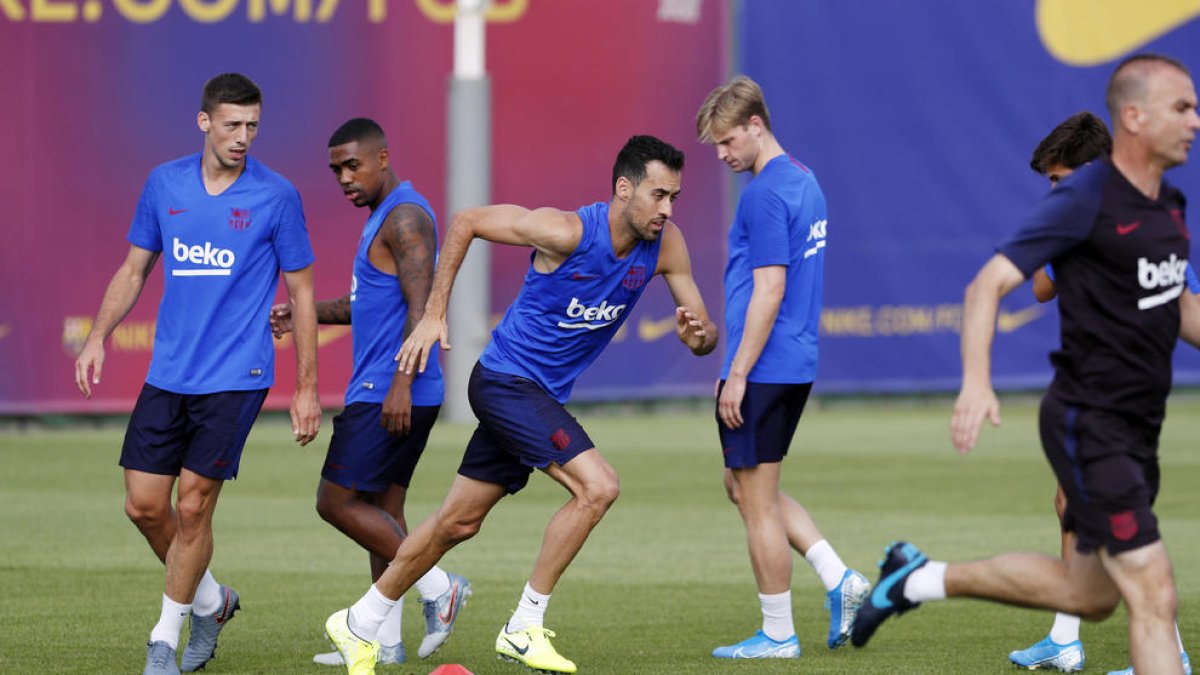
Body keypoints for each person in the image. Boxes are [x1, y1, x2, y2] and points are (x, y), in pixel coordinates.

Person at [851, 54, 1200, 675]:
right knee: (1154, 592)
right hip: (1092, 422)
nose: (1194, 121)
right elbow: (987, 286)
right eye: (1182, 107)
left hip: (1136, 426)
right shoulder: (1084, 198)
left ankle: (917, 580)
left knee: (1089, 595)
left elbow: (1186, 313)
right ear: (1134, 116)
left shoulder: (1166, 205)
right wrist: (977, 382)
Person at [321, 134, 719, 675]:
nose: (667, 209)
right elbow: (466, 221)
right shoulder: (566, 231)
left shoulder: (666, 245)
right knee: (598, 487)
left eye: (674, 196)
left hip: (537, 396)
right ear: (623, 189)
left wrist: (698, 334)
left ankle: (359, 622)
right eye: (657, 195)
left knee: (456, 523)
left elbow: (703, 336)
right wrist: (435, 312)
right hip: (506, 382)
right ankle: (524, 626)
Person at [73, 73, 322, 675]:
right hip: (170, 372)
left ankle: (165, 642)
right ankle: (211, 601)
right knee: (143, 506)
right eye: (233, 124)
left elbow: (304, 293)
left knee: (193, 506)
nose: (244, 137)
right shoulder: (164, 184)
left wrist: (307, 385)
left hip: (238, 374)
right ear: (204, 121)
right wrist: (97, 336)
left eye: (253, 126)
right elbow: (134, 269)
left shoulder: (277, 195)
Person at [269, 118, 470, 667]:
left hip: (391, 386)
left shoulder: (406, 217)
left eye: (352, 165)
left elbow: (422, 304)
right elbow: (369, 304)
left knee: (335, 502)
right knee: (383, 513)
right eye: (336, 169)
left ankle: (438, 588)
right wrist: (305, 313)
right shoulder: (384, 216)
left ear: (383, 158)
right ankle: (382, 641)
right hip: (393, 384)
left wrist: (401, 383)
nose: (343, 178)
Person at [1010, 111, 1196, 675]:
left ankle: (1172, 653)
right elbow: (1044, 288)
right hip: (1092, 391)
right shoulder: (1085, 222)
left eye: (1058, 180)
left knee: (1125, 525)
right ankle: (1066, 639)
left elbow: (1183, 299)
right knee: (1069, 503)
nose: (1052, 191)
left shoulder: (1136, 222)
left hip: (1125, 395)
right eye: (1048, 182)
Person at [694, 75, 869, 659]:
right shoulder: (805, 180)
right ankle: (840, 579)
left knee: (756, 499)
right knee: (742, 486)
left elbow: (770, 288)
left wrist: (737, 372)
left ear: (755, 126)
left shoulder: (764, 194)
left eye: (726, 142)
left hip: (764, 366)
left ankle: (777, 633)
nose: (721, 155)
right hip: (793, 361)